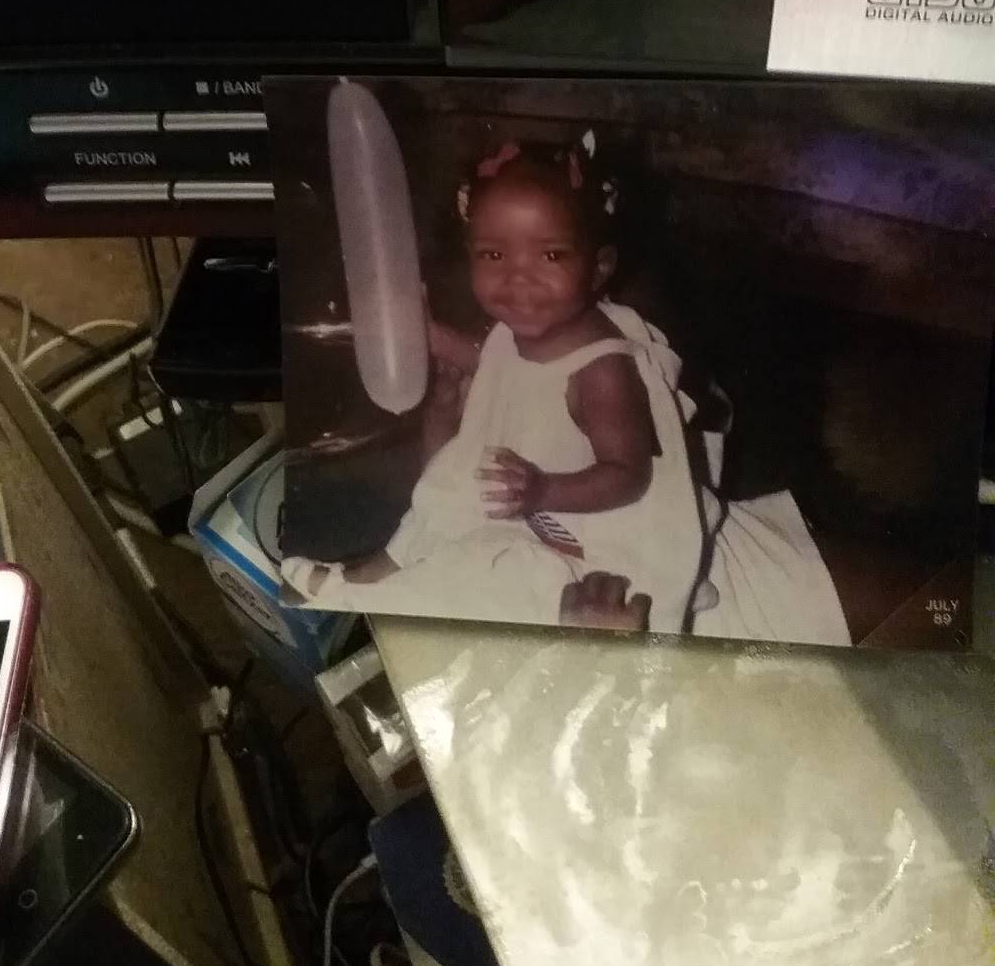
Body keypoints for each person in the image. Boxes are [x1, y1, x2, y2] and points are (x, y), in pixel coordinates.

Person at [283, 137, 850, 645]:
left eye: (550, 255)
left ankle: (386, 596)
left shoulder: (602, 371)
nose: (518, 277)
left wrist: (544, 489)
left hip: (604, 532)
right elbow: (500, 362)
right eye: (493, 254)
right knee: (447, 491)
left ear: (599, 268)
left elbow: (628, 473)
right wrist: (427, 335)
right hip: (544, 495)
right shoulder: (525, 328)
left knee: (506, 580)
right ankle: (381, 569)